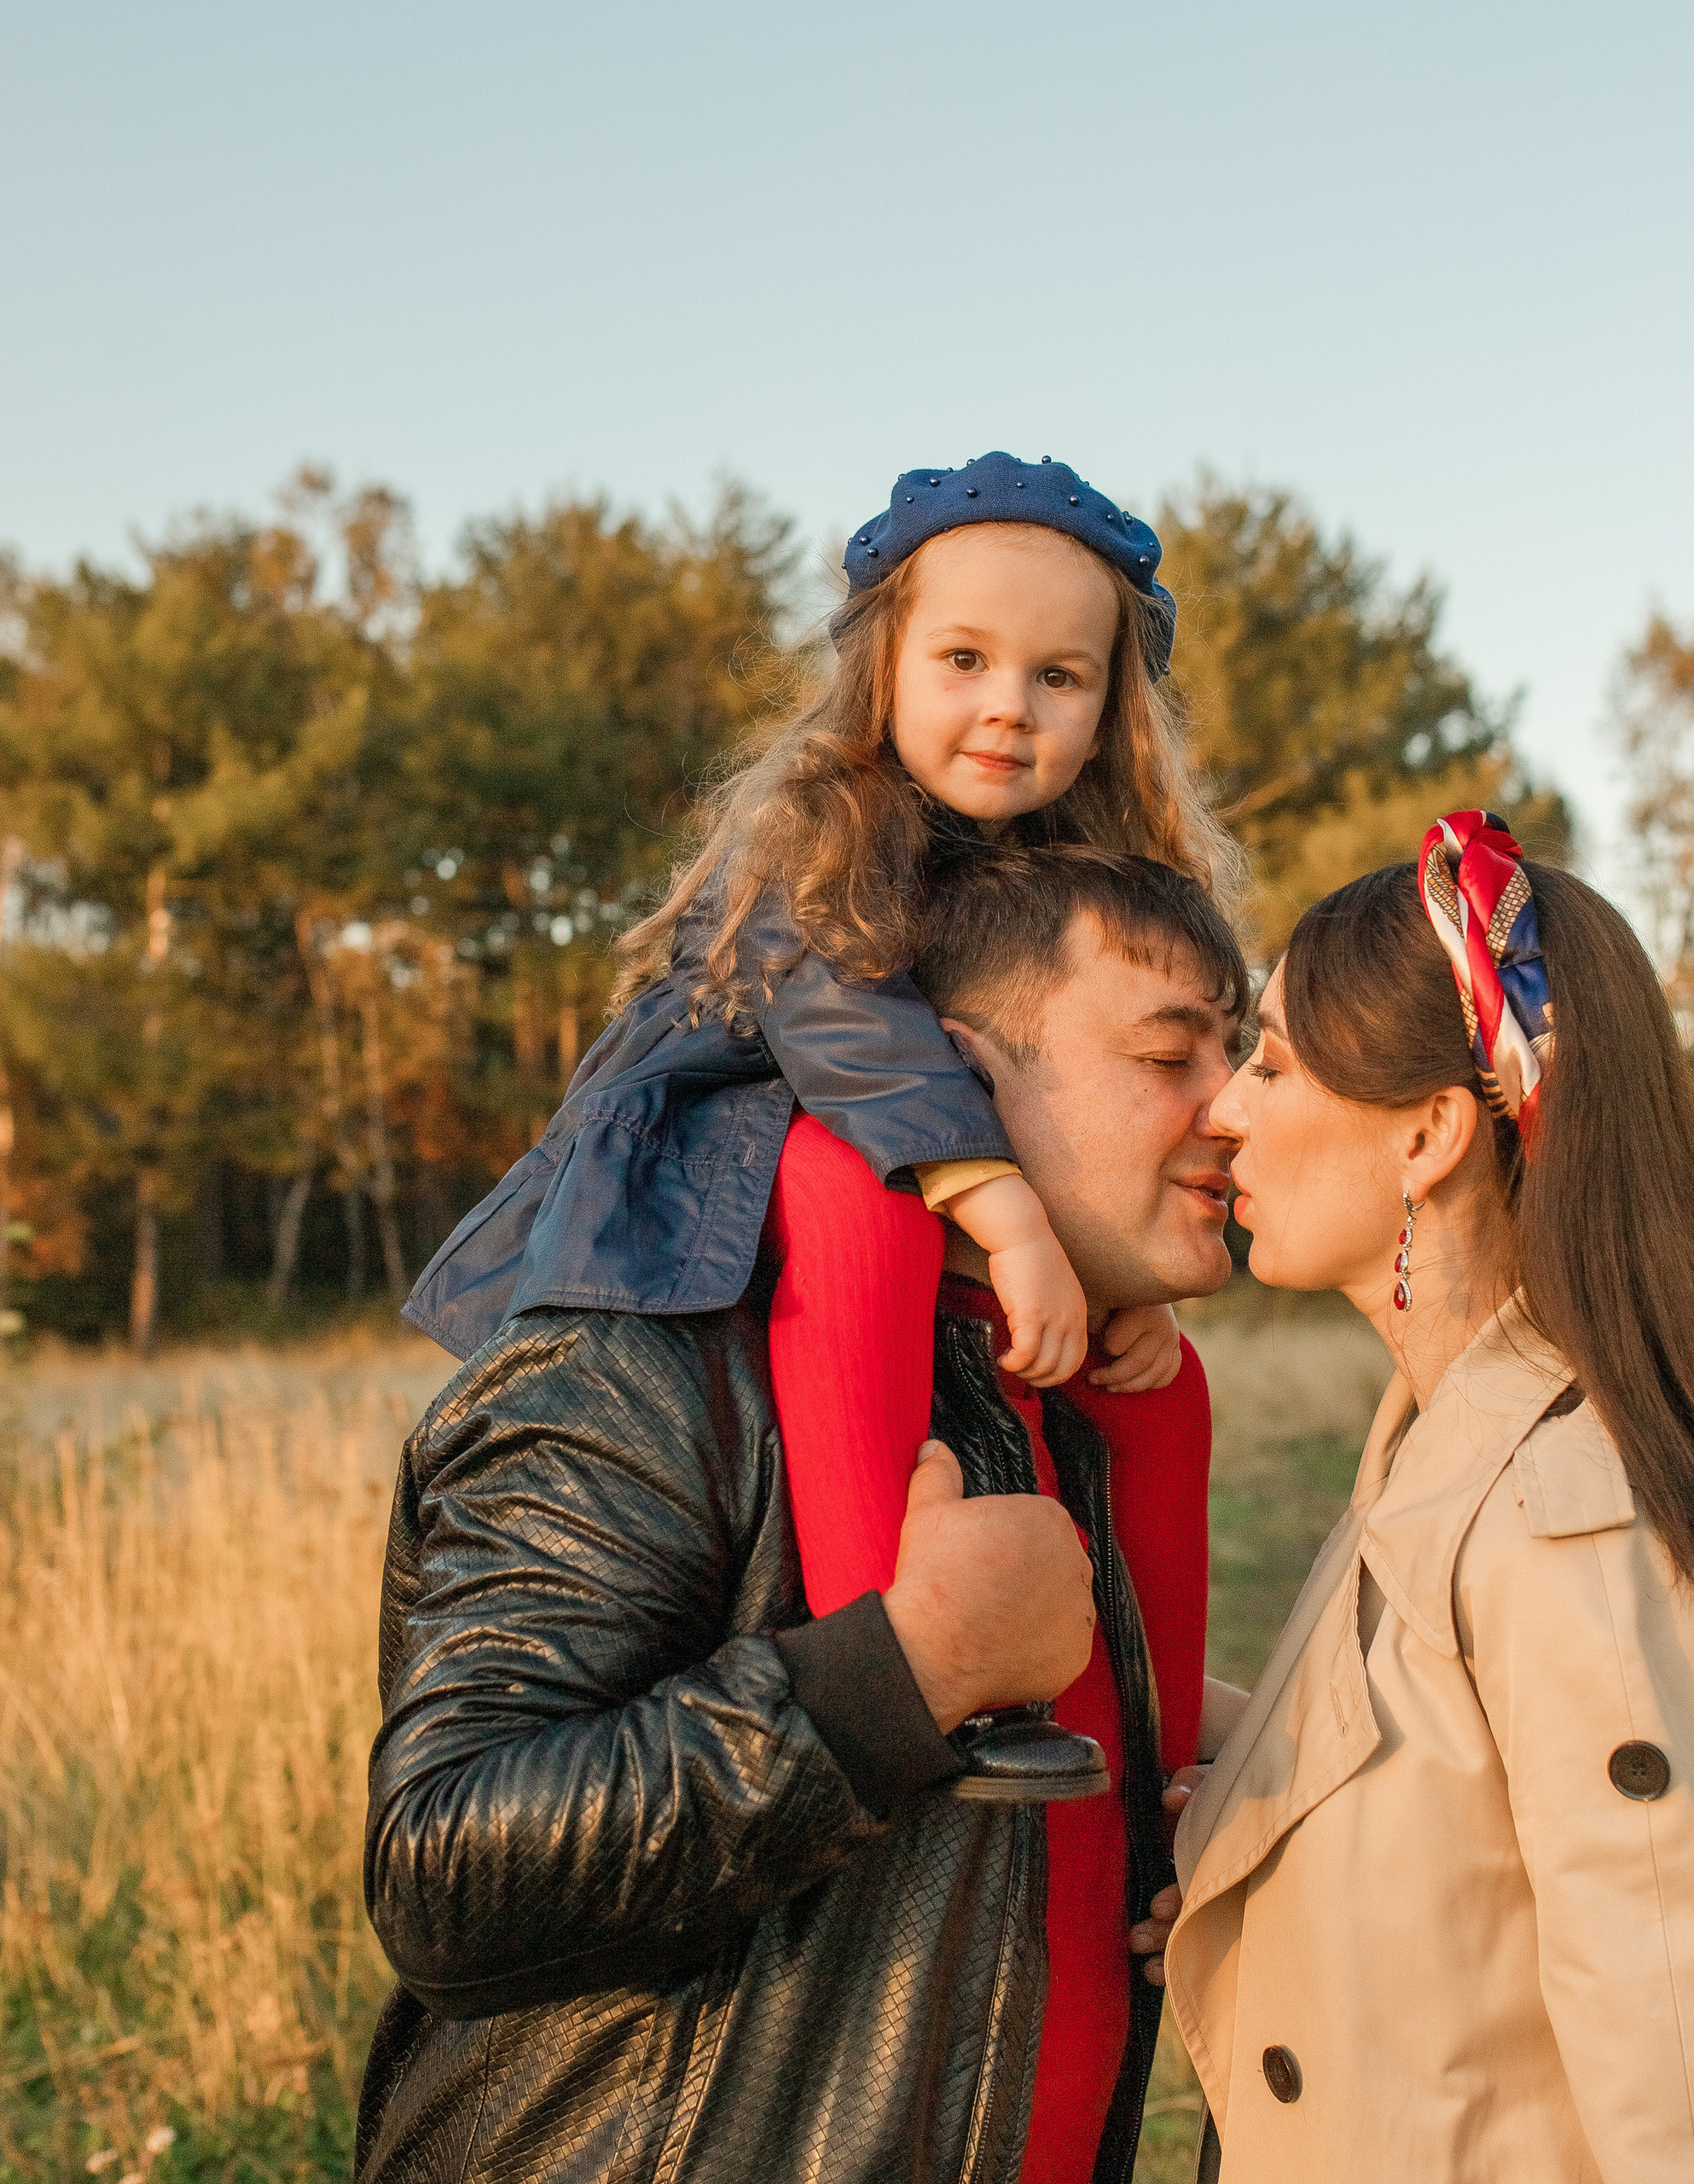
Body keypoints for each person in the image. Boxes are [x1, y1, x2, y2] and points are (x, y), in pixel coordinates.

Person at [361, 845, 1250, 2184]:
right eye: (1168, 1056)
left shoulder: (1059, 1388)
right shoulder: (648, 1357)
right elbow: (446, 1873)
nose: (1231, 1109)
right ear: (959, 1076)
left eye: (1236, 1055)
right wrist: (910, 1668)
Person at [401, 452, 1244, 1795]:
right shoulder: (824, 827)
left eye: (1058, 677)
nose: (1007, 709)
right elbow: (852, 1034)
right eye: (963, 659)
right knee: (861, 1191)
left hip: (886, 1164)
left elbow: (1035, 1069)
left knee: (1159, 1374)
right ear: (884, 670)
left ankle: (1153, 1758)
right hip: (709, 1172)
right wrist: (1017, 1218)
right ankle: (894, 1646)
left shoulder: (1057, 873)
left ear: (1109, 709)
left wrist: (1113, 1272)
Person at [1163, 811, 1694, 2181]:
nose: (1222, 1109)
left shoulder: (1578, 1530)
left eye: (1271, 1064)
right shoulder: (1450, 1450)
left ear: (1428, 1138)